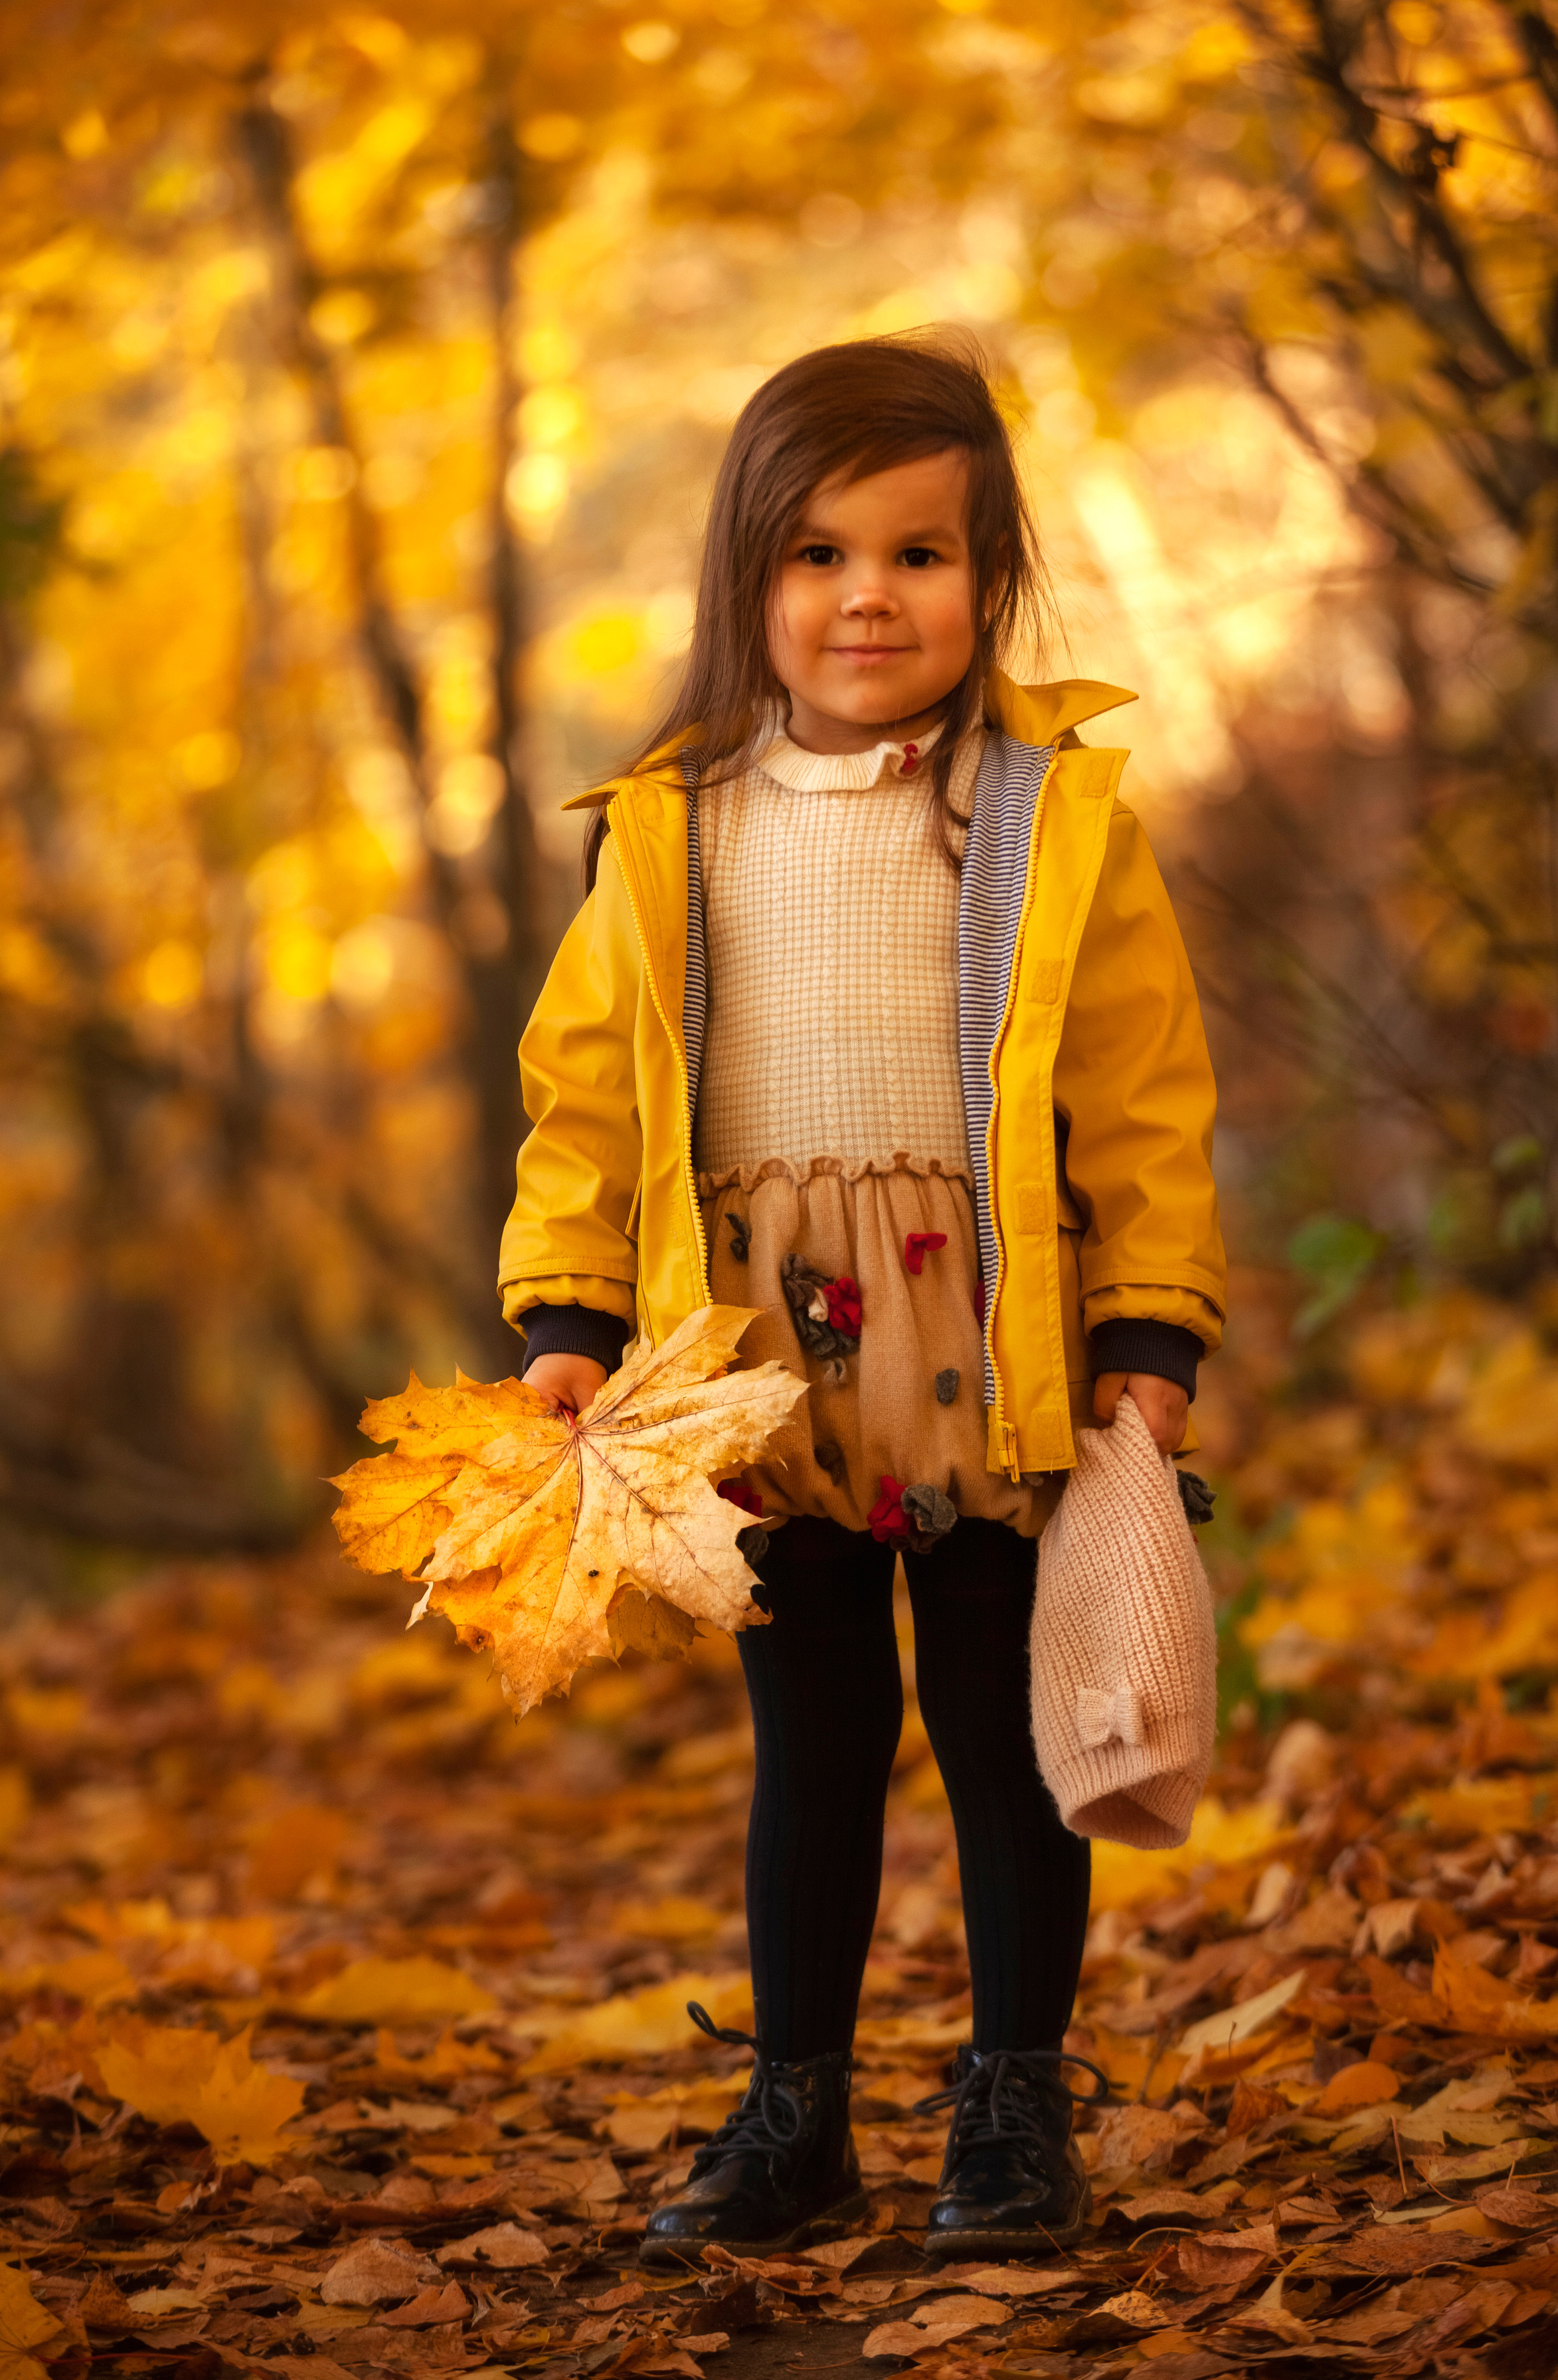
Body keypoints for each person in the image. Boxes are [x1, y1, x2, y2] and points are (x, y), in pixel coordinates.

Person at [499, 335, 1225, 2262]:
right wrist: (570, 1322)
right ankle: (797, 2111)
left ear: (990, 576)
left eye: (918, 554)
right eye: (817, 556)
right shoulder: (670, 826)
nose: (866, 597)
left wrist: (1150, 1338)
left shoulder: (1056, 819)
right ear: (750, 582)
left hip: (997, 1349)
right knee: (810, 1735)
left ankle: (1010, 2110)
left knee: (1005, 1737)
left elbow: (1144, 1098)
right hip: (749, 1362)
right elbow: (587, 1096)